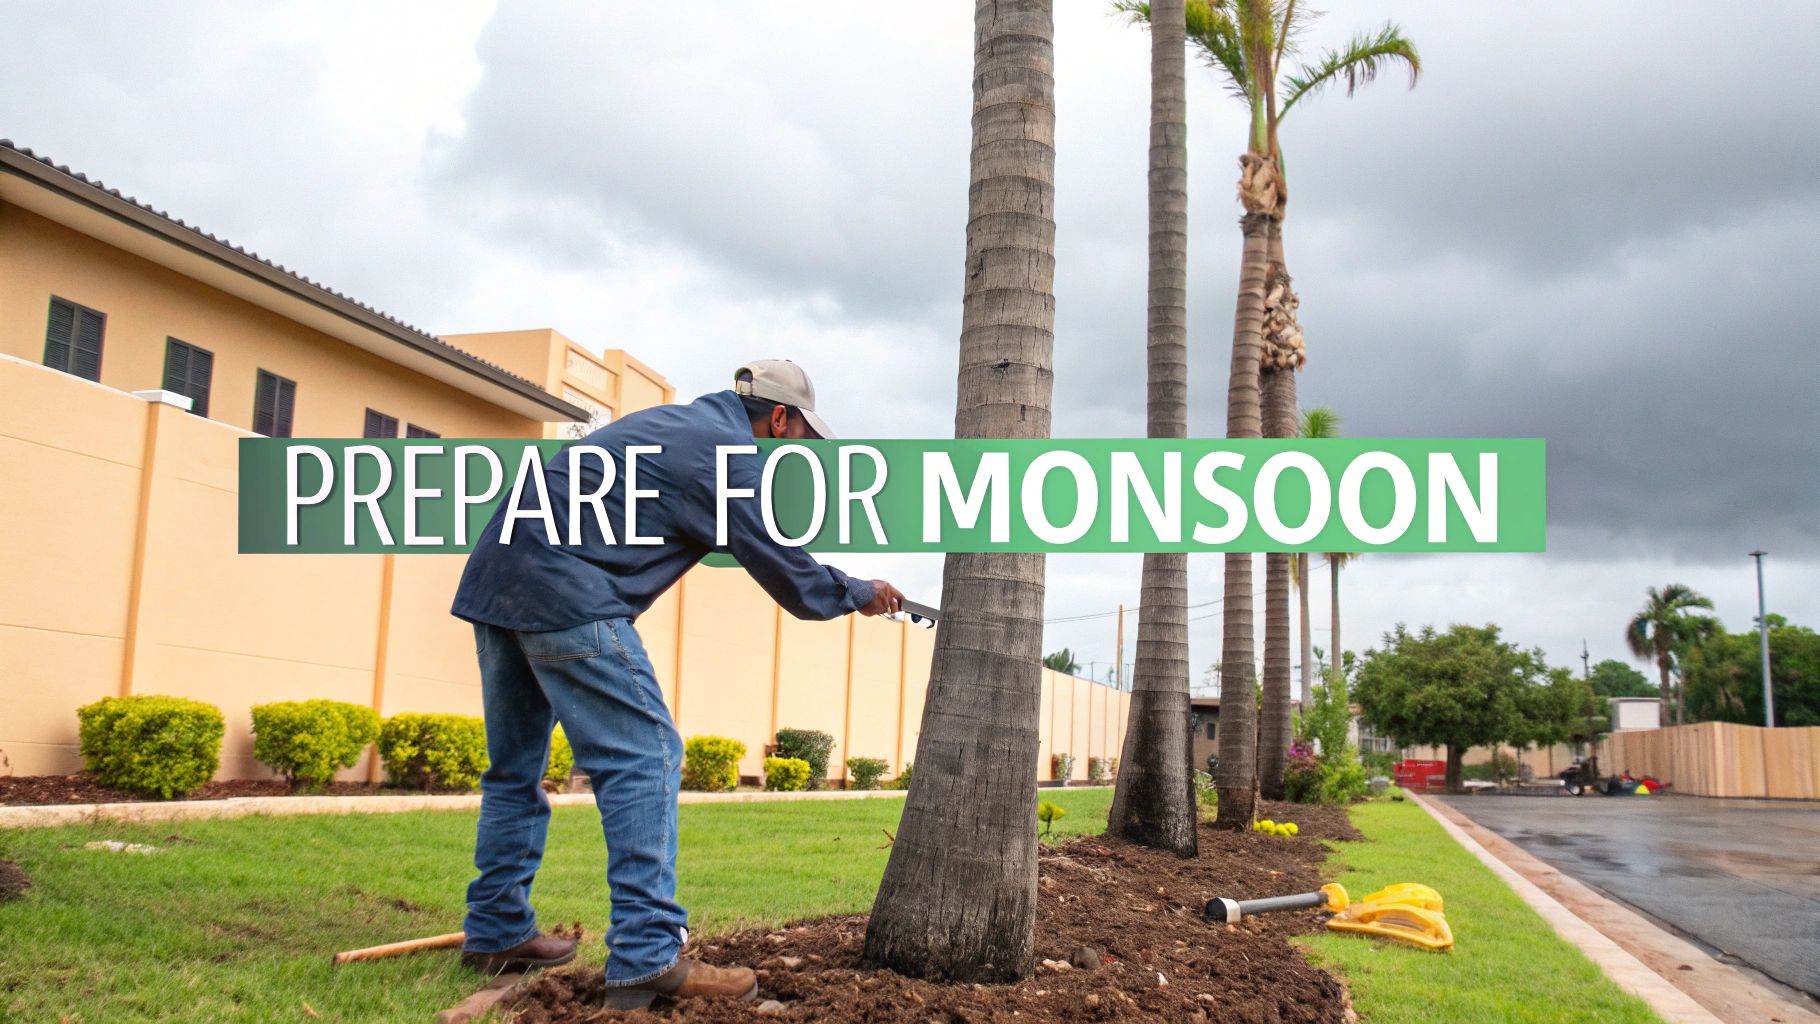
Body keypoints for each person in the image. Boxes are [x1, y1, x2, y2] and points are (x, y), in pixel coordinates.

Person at [449, 360, 904, 1010]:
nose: (792, 452)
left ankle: (495, 931)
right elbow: (783, 567)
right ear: (778, 417)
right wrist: (856, 591)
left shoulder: (671, 427)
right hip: (566, 588)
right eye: (797, 438)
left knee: (514, 770)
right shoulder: (725, 453)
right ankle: (646, 957)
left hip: (499, 580)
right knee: (646, 755)